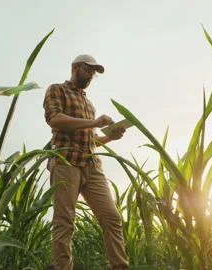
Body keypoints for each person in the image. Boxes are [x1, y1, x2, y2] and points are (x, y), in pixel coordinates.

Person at [43, 54, 129, 270]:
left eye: (93, 72)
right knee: (65, 221)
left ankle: (120, 266)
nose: (90, 75)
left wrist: (110, 136)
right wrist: (94, 121)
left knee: (111, 217)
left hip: (92, 166)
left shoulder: (88, 103)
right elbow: (54, 119)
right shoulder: (57, 90)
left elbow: (90, 139)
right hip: (66, 163)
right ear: (74, 67)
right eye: (87, 69)